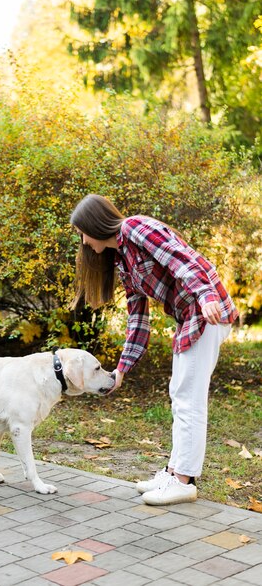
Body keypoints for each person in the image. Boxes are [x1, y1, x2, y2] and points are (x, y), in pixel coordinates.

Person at [70, 194, 238, 506]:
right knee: (180, 395)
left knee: (188, 399)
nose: (82, 239)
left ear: (94, 224)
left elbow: (184, 259)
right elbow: (138, 320)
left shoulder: (136, 228)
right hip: (190, 317)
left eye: (82, 231)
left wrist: (206, 295)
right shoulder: (123, 261)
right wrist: (122, 368)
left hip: (206, 313)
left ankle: (184, 481)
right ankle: (174, 473)